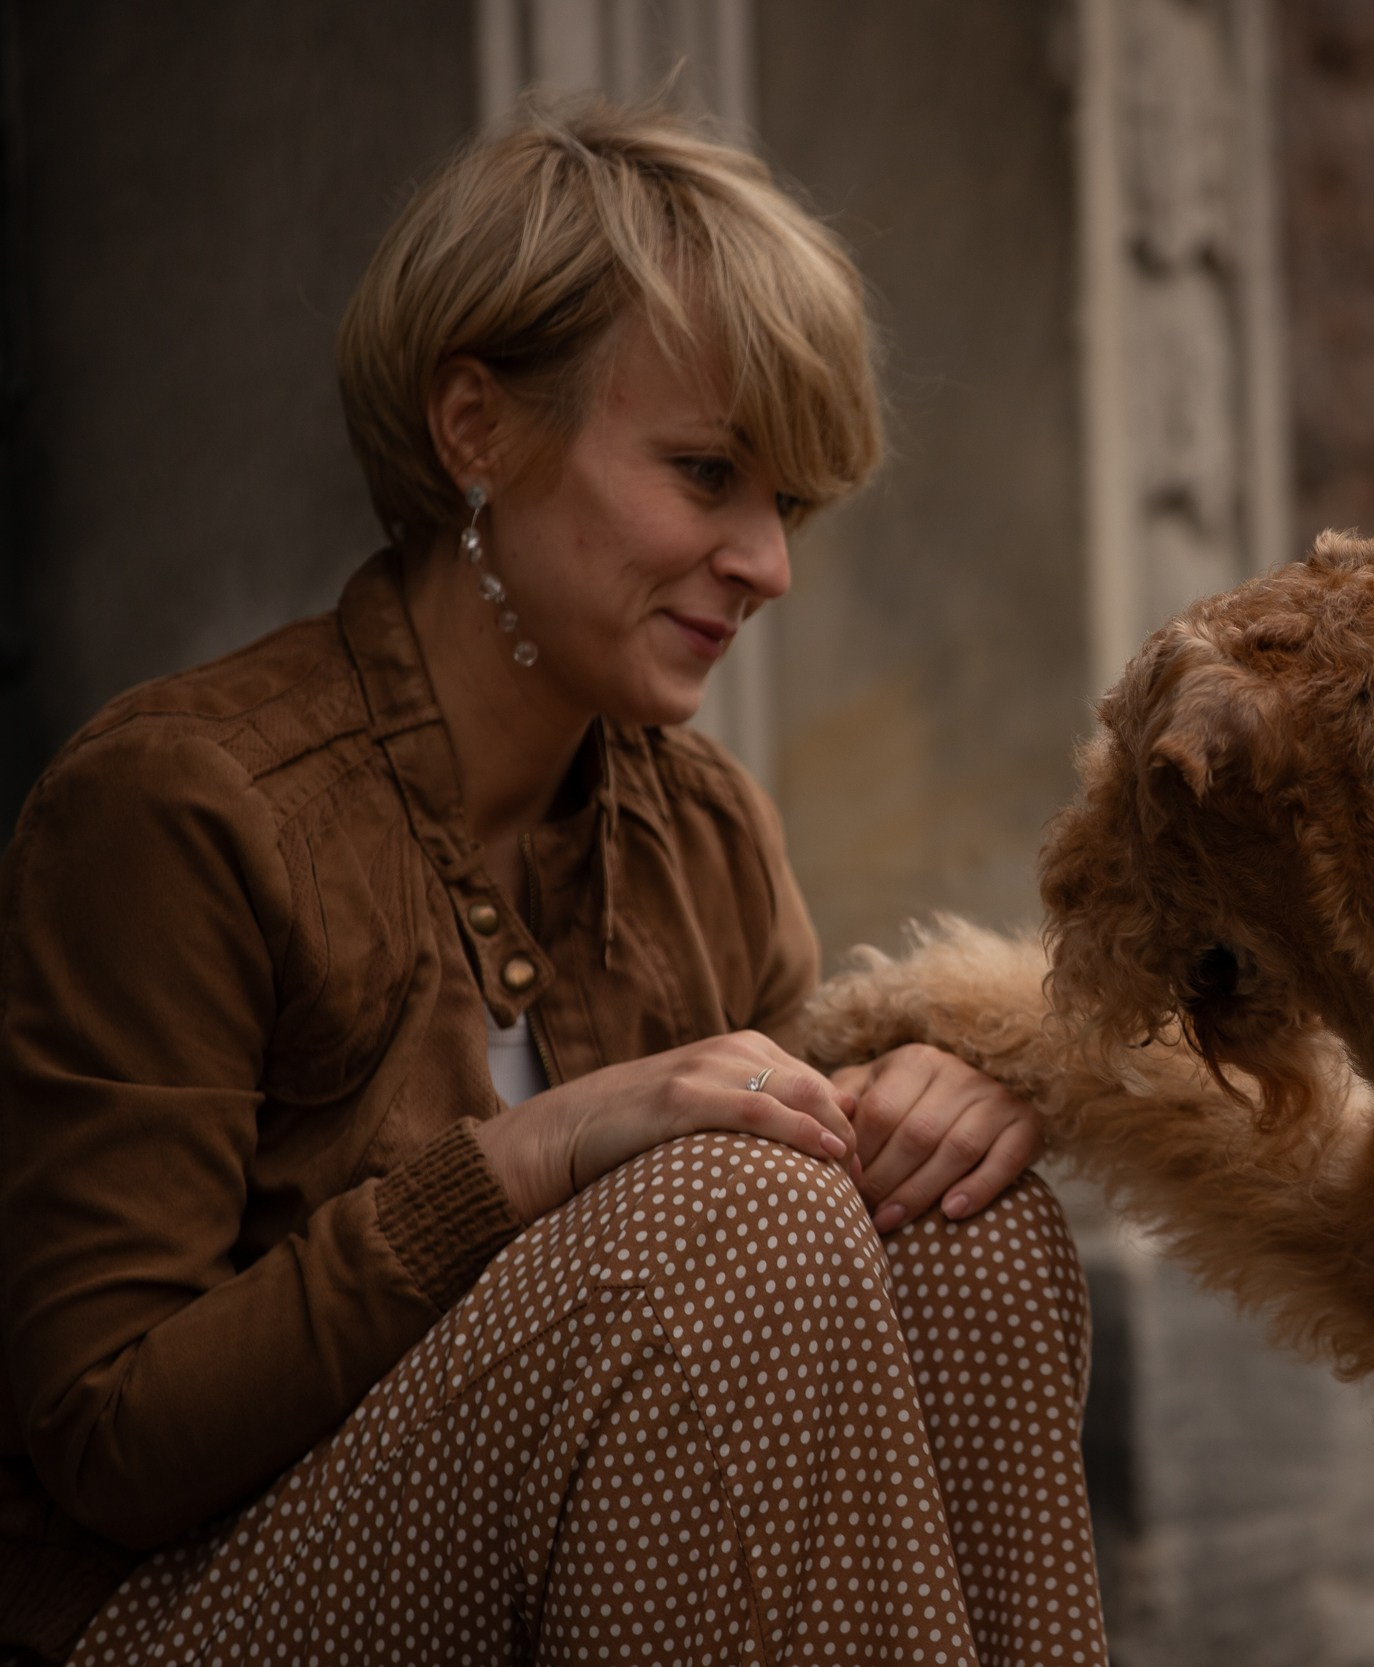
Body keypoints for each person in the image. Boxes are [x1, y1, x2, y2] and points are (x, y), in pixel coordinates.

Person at [0, 100, 1106, 1666]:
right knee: (734, 1211)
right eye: (707, 472)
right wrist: (527, 1159)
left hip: (568, 1571)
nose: (767, 564)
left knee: (957, 1237)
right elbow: (107, 1436)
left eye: (783, 504)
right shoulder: (183, 806)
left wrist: (928, 1103)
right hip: (171, 1617)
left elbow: (810, 1226)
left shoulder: (707, 833)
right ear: (477, 430)